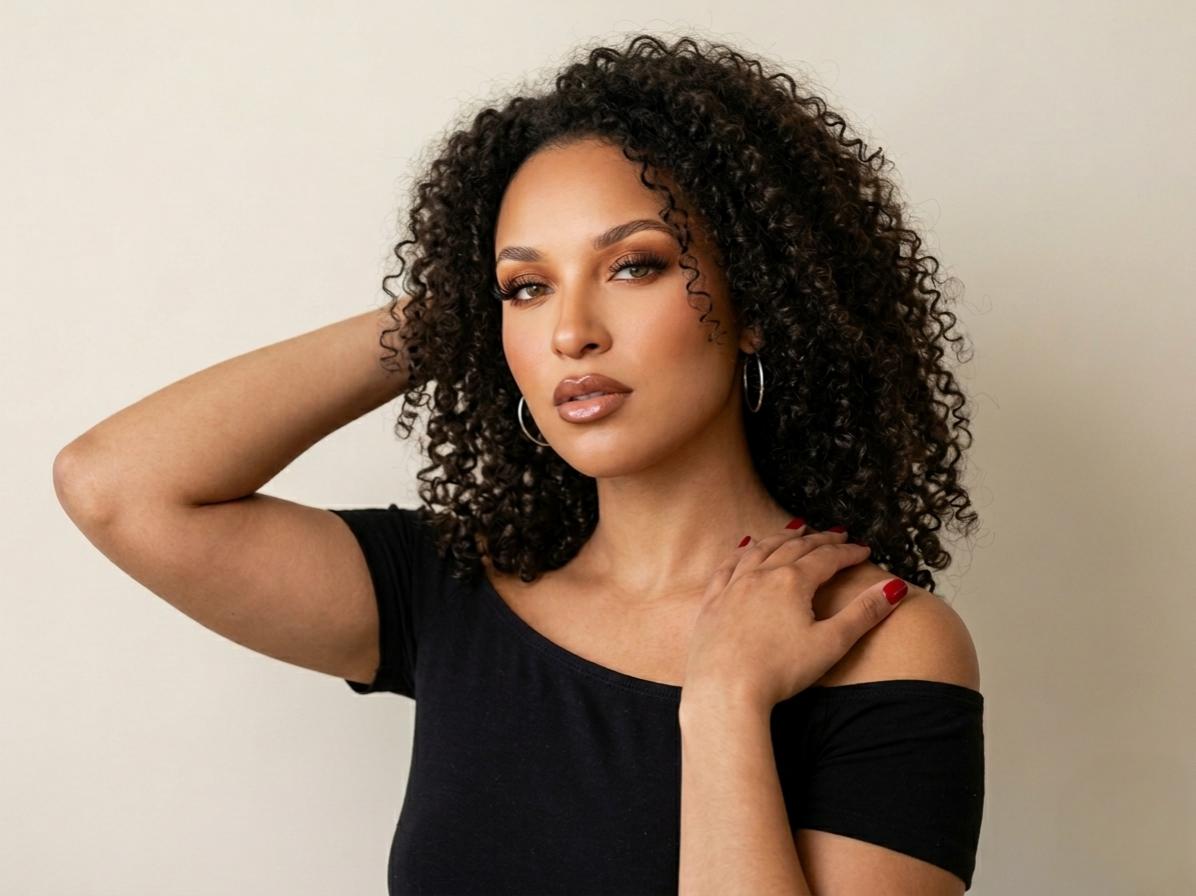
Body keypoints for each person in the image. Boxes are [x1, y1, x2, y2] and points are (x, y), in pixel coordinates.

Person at [55, 33, 984, 895]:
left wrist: (726, 703)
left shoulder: (874, 638)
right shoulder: (451, 593)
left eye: (635, 266)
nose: (572, 332)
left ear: (756, 299)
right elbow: (116, 487)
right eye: (528, 287)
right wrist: (454, 310)